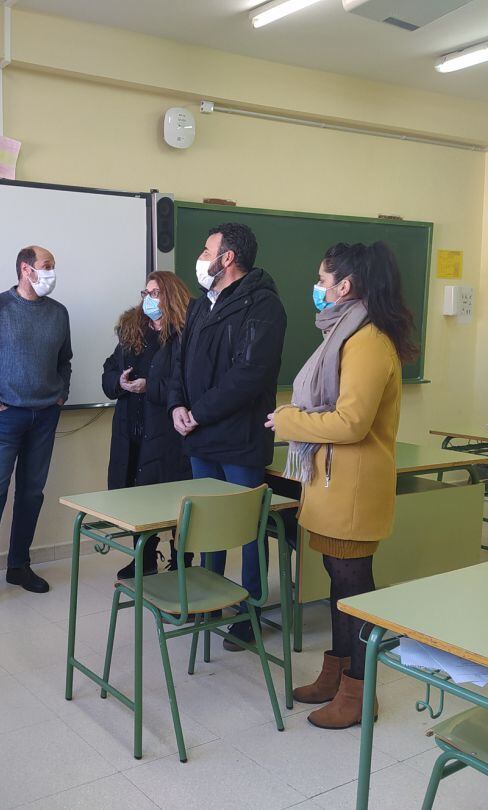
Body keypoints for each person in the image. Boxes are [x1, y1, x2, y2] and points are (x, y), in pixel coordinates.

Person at [267, 241, 416, 729]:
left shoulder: (368, 340)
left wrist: (290, 421)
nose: (318, 288)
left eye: (322, 280)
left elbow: (351, 423)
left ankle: (359, 691)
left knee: (353, 588)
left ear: (345, 286)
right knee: (339, 584)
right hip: (334, 483)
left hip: (353, 487)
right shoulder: (346, 333)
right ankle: (336, 674)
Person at [168, 222, 287, 650]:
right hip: (200, 435)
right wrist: (177, 405)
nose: (201, 256)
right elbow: (180, 363)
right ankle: (207, 598)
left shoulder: (263, 306)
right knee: (207, 523)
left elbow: (249, 376)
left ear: (227, 258)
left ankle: (250, 610)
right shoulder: (203, 304)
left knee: (246, 527)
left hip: (239, 438)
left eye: (206, 249)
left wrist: (197, 412)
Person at [0, 245, 72, 619]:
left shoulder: (59, 313)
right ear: (26, 269)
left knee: (32, 494)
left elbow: (65, 360)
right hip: (5, 417)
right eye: (47, 266)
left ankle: (19, 566)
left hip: (45, 417)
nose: (52, 273)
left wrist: (61, 394)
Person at [101, 270, 193, 578]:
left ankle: (182, 559)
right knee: (135, 494)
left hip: (166, 433)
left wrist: (148, 386)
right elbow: (109, 372)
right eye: (146, 293)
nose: (148, 299)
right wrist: (119, 381)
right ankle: (145, 556)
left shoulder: (185, 335)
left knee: (171, 497)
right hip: (131, 429)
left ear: (171, 297)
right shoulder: (132, 331)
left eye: (155, 293)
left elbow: (187, 386)